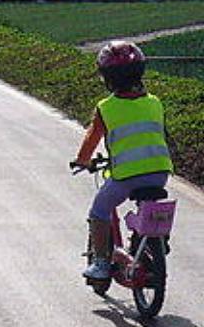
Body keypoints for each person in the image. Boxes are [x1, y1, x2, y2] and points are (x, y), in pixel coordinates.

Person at [69, 40, 171, 281]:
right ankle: (155, 240)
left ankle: (102, 263)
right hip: (160, 172)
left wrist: (82, 161)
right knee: (147, 203)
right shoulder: (155, 102)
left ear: (108, 77)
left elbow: (91, 141)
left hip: (126, 177)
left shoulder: (106, 107)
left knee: (99, 211)